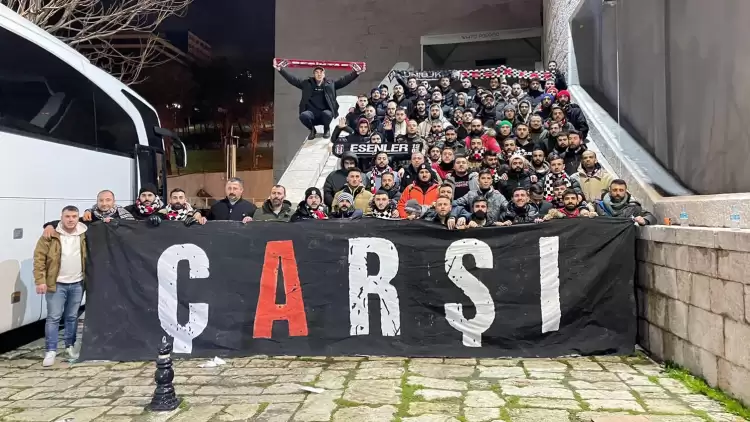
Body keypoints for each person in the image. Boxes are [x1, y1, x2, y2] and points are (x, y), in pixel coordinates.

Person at [34, 205, 87, 367]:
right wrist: (40, 280)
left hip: (77, 283)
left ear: (78, 218)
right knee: (53, 317)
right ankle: (50, 350)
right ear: (61, 218)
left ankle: (70, 346)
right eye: (67, 217)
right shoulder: (50, 235)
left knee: (72, 317)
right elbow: (39, 258)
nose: (71, 220)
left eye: (74, 216)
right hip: (56, 284)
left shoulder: (84, 234)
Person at [274, 61, 364, 140]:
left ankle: (326, 129)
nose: (319, 74)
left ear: (324, 74)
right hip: (312, 113)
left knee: (327, 114)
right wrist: (280, 70)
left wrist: (356, 73)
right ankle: (312, 130)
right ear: (314, 74)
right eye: (316, 72)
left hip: (325, 113)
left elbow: (344, 80)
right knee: (303, 116)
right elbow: (292, 80)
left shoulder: (330, 84)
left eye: (321, 72)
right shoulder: (306, 84)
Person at [42, 189, 134, 238]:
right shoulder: (90, 216)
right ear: (97, 202)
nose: (104, 203)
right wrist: (50, 225)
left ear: (114, 201)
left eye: (108, 200)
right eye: (101, 200)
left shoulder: (124, 216)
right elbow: (71, 221)